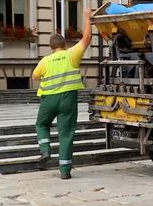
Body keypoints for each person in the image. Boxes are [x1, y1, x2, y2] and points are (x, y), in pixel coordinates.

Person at [32, 9, 92, 179]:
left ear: (51, 47)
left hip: (48, 100)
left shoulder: (45, 61)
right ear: (64, 45)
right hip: (68, 100)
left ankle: (45, 150)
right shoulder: (71, 54)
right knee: (66, 134)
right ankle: (65, 171)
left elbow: (35, 76)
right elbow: (86, 39)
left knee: (41, 124)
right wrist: (87, 17)